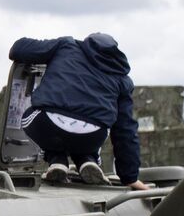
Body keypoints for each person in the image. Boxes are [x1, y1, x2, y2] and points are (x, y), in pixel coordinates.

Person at [9, 33, 149, 189]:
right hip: (91, 136)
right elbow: (125, 131)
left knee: (31, 117)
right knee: (94, 127)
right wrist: (130, 177)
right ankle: (88, 160)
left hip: (49, 125)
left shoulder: (66, 46)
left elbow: (18, 49)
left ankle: (57, 161)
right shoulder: (122, 78)